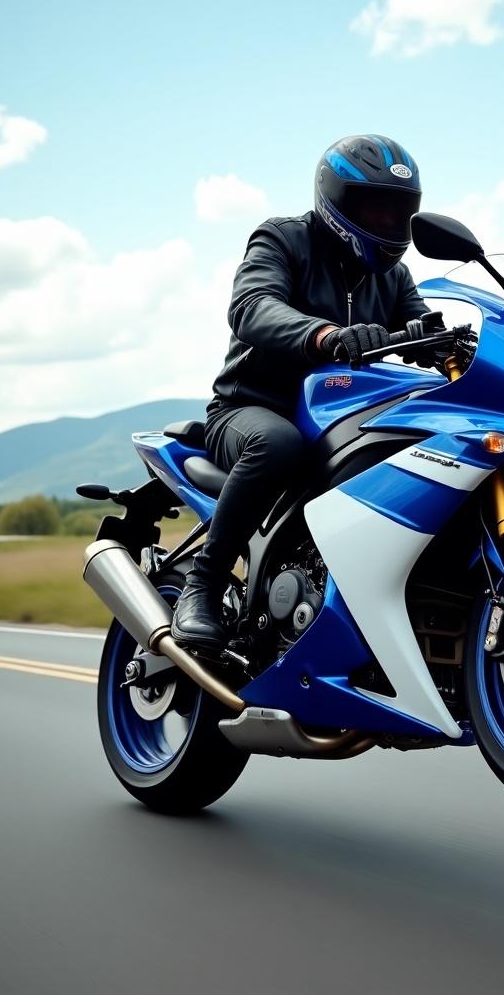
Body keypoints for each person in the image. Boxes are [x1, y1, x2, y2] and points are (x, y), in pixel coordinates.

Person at [171, 134, 429, 650]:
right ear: (336, 202)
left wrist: (446, 339)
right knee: (278, 443)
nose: (385, 224)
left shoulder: (394, 277)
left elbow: (424, 323)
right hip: (251, 410)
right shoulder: (282, 240)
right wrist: (323, 335)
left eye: (395, 212)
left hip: (340, 422)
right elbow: (253, 305)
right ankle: (201, 586)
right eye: (372, 209)